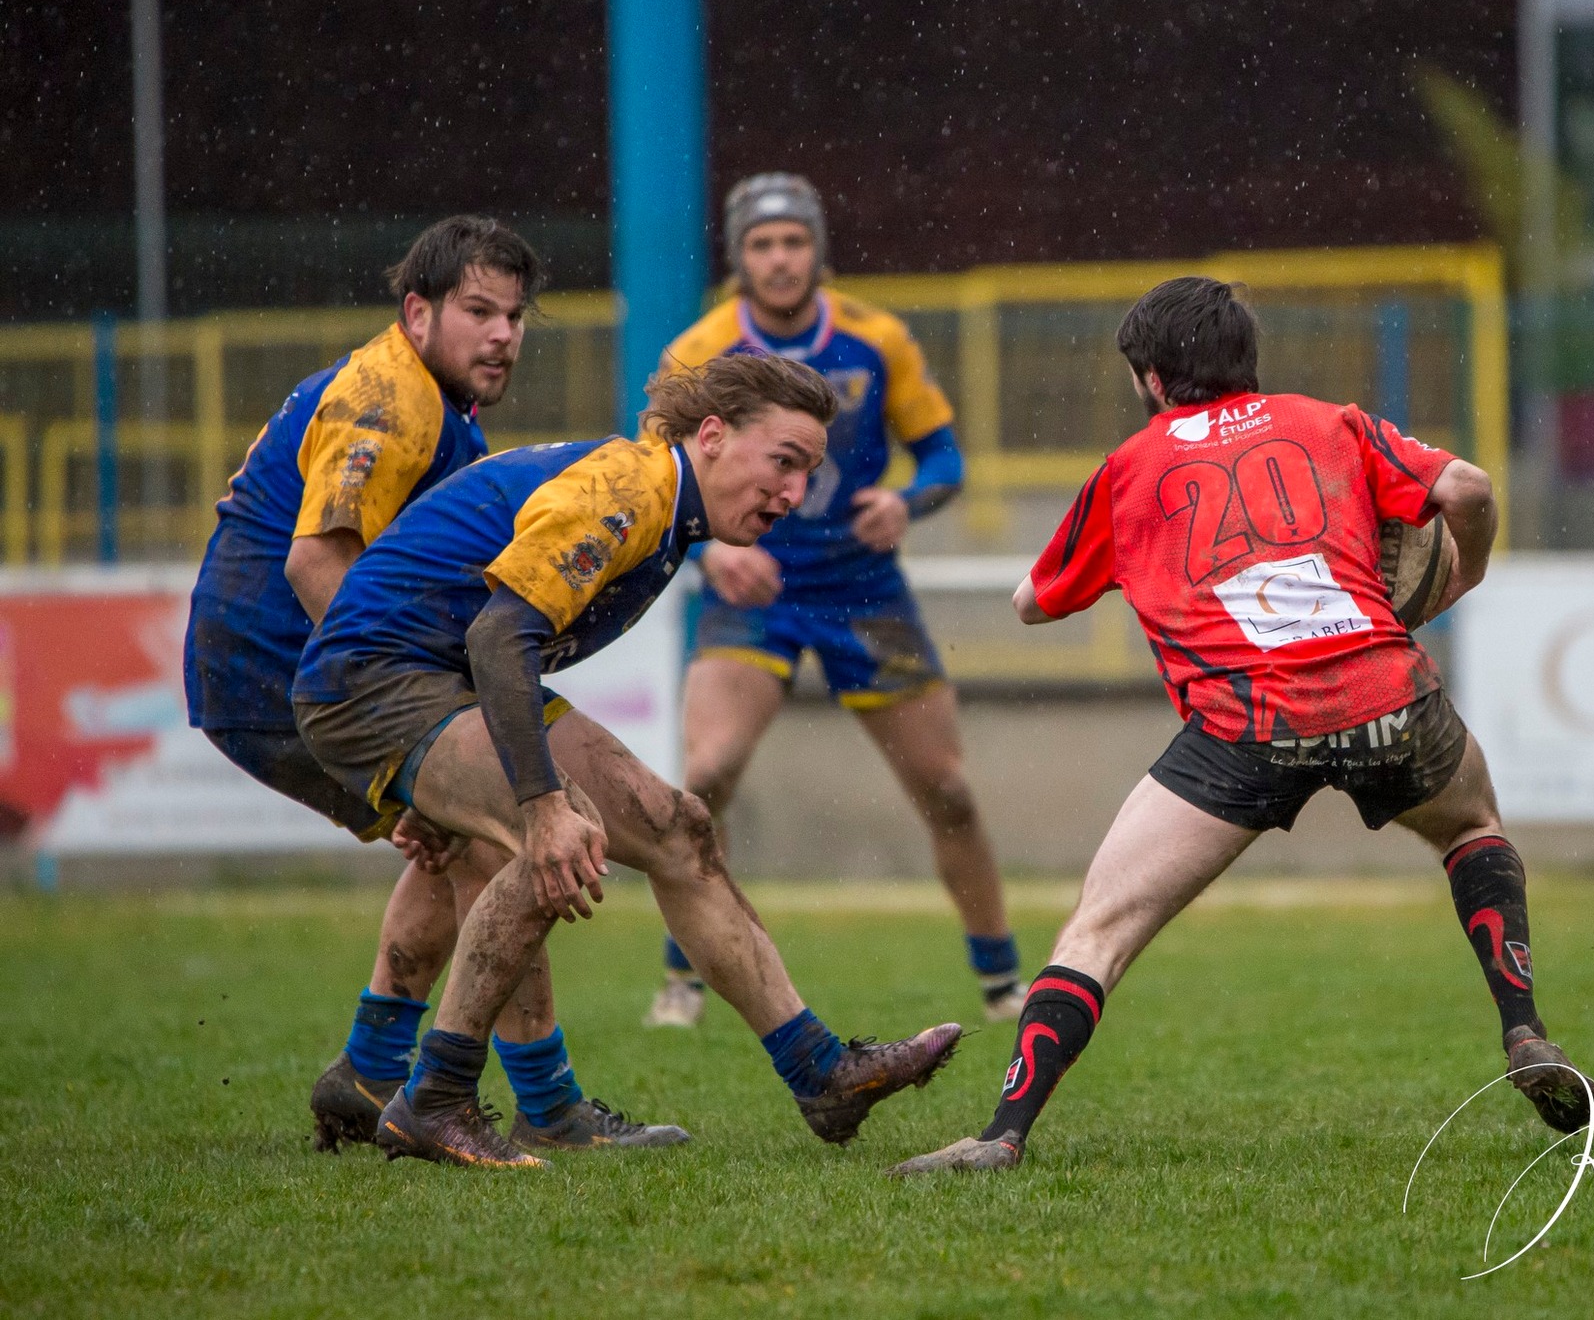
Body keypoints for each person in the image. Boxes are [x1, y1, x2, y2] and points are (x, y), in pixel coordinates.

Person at [890, 278, 1594, 1176]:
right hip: (1383, 688)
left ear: (1152, 379)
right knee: (1470, 824)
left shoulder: (1129, 469)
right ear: (1247, 359)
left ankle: (1001, 1133)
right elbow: (1466, 485)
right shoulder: (1329, 422)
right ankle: (1524, 1031)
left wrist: (1148, 556)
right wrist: (1461, 573)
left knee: (1101, 930)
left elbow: (1032, 603)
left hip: (1244, 721)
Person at [293, 353, 962, 1169]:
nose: (793, 494)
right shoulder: (628, 492)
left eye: (808, 473)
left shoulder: (669, 510)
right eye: (783, 463)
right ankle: (434, 1097)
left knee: (679, 828)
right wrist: (535, 806)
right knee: (558, 833)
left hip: (446, 674)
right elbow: (501, 636)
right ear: (712, 436)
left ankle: (820, 1072)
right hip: (376, 679)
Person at [181, 216, 677, 1154]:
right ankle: (546, 1103)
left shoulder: (435, 403)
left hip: (280, 671)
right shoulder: (388, 399)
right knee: (506, 831)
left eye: (515, 315)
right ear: (418, 312)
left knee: (453, 841)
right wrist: (401, 718)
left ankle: (368, 1073)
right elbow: (315, 565)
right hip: (279, 668)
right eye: (478, 311)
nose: (503, 334)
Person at [646, 173, 1024, 1029]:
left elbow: (945, 462)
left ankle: (1003, 983)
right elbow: (654, 477)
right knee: (703, 781)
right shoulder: (701, 350)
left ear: (817, 249)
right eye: (761, 244)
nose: (779, 259)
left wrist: (906, 501)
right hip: (756, 588)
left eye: (793, 241)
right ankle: (684, 980)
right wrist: (709, 554)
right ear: (739, 257)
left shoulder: (875, 337)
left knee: (949, 789)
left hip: (863, 588)